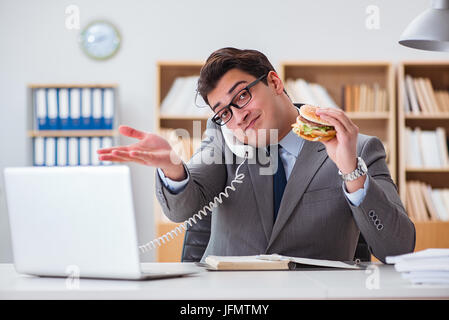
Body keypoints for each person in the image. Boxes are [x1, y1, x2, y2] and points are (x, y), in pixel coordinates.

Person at [98, 47, 415, 263]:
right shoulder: (224, 143)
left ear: (274, 81)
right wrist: (172, 167)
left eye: (242, 96)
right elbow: (185, 208)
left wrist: (350, 171)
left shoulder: (358, 149)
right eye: (223, 112)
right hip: (227, 300)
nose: (237, 117)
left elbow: (397, 249)